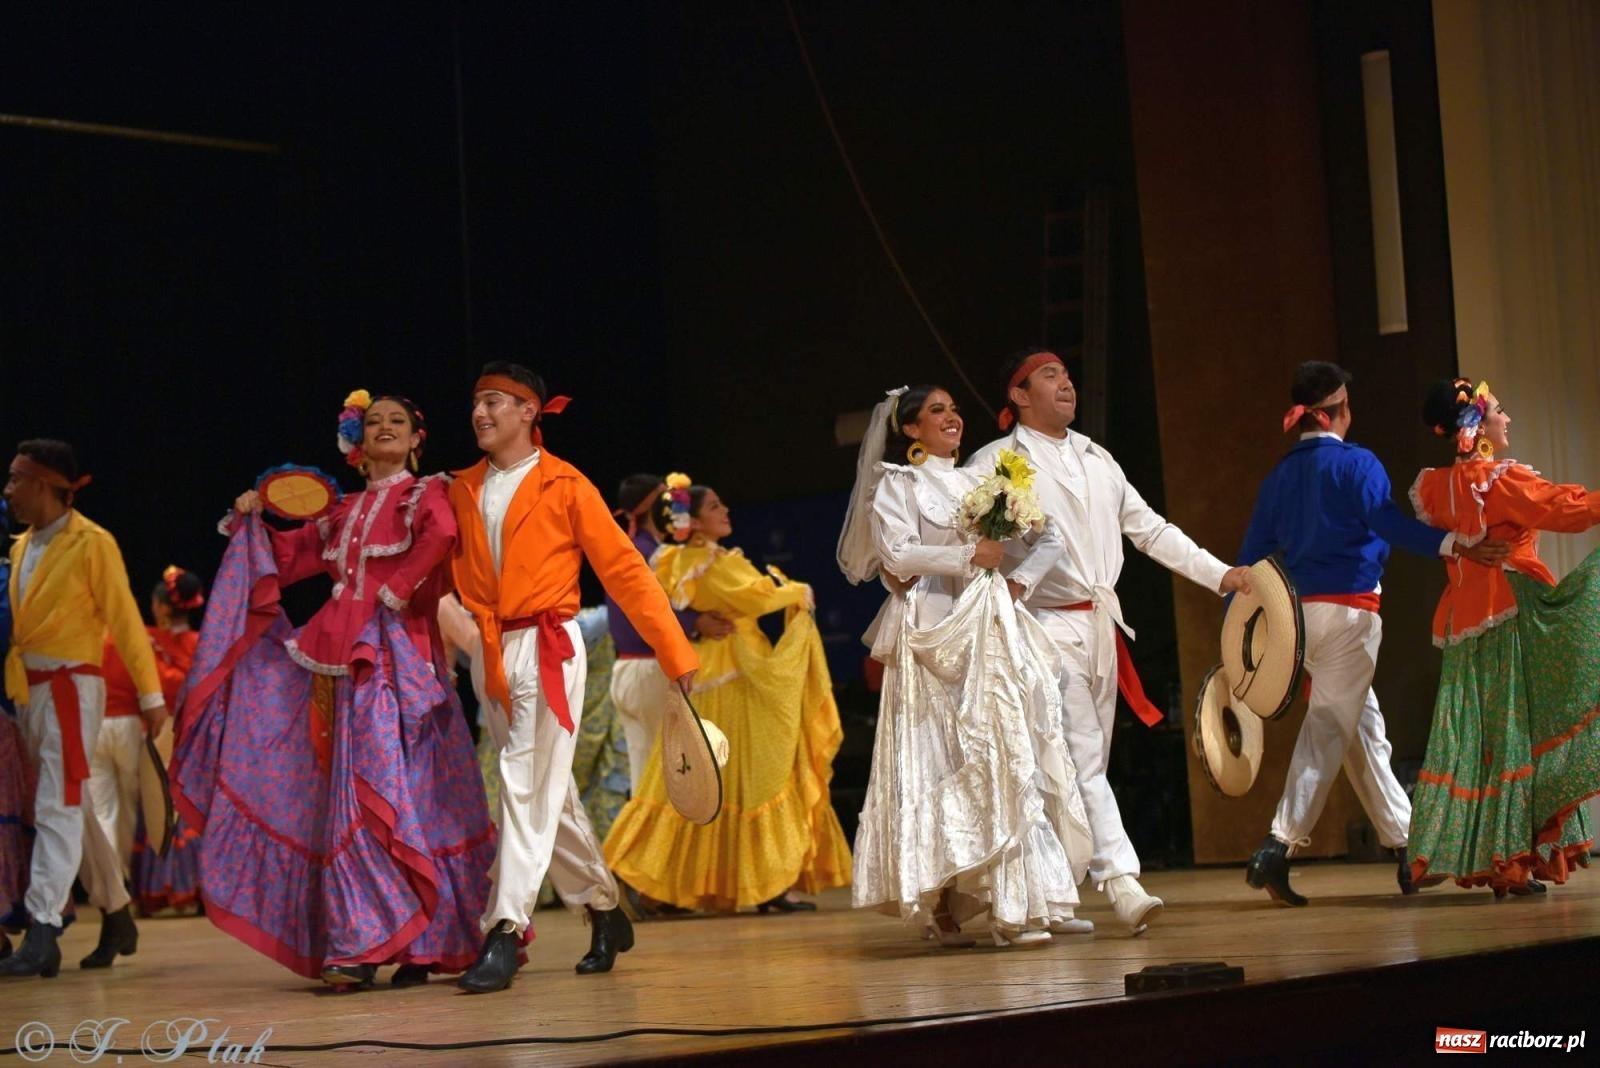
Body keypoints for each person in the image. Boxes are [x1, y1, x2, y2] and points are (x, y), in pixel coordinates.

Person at [171, 393, 494, 989]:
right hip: (345, 661)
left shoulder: (427, 494)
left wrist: (394, 589)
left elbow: (441, 537)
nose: (387, 429)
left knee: (411, 793)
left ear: (417, 440)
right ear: (357, 442)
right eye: (375, 423)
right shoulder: (342, 512)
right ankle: (368, 937)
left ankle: (418, 939)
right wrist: (251, 521)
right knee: (355, 786)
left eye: (398, 421)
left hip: (403, 658)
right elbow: (288, 555)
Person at [968, 350, 1250, 935]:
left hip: (1099, 622)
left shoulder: (1098, 458)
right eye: (1049, 375)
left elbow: (1151, 530)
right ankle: (1121, 879)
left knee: (1075, 761)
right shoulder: (996, 462)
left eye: (1066, 374)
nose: (1065, 381)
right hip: (1041, 626)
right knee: (1078, 756)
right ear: (1019, 395)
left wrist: (1220, 574)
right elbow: (971, 545)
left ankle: (1047, 894)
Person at [447, 361, 699, 995]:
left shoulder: (565, 484)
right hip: (492, 652)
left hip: (549, 646)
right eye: (477, 403)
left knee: (521, 784)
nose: (482, 413)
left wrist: (676, 654)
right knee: (546, 794)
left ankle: (504, 929)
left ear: (531, 411)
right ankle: (606, 909)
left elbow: (625, 573)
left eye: (497, 402)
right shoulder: (462, 487)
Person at [1235, 362, 1506, 905]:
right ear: (1341, 412)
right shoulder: (1357, 463)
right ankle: (1278, 845)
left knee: (1364, 733)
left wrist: (1237, 635)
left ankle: (1409, 849)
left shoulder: (1280, 475)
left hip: (1295, 621)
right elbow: (1388, 524)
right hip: (1349, 615)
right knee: (1329, 729)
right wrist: (1456, 542)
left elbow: (1249, 561)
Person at [840, 385, 1093, 947]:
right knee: (941, 757)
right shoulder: (898, 484)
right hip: (933, 626)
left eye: (953, 409)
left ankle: (1027, 897)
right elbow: (899, 555)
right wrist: (965, 556)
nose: (951, 418)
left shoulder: (984, 481)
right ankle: (946, 901)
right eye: (936, 411)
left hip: (988, 621)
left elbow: (1047, 535)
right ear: (911, 430)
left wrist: (1018, 580)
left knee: (1009, 750)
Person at [604, 475, 852, 914]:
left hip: (716, 673)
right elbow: (755, 597)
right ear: (694, 523)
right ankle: (736, 881)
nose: (726, 511)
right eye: (715, 507)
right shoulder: (705, 562)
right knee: (750, 776)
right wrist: (798, 591)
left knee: (708, 781)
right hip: (731, 677)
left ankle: (686, 883)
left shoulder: (686, 559)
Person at [1407, 377, 1600, 896]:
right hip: (1511, 615)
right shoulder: (1501, 481)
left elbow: (1442, 536)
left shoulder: (1439, 487)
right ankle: (1509, 859)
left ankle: (1490, 856)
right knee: (1516, 732)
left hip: (1463, 626)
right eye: (1500, 411)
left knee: (1476, 739)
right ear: (1479, 424)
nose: (1508, 419)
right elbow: (1563, 508)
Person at [1, 439, 167, 979]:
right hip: (31, 689)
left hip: (73, 688)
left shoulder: (92, 543)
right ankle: (117, 912)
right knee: (70, 807)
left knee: (57, 804)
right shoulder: (23, 545)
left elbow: (125, 621)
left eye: (15, 479)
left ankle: (43, 927)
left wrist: (151, 697)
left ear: (45, 484)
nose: (8, 490)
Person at [607, 474, 733, 794]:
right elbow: (647, 610)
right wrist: (695, 621)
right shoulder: (651, 554)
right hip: (649, 670)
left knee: (645, 779)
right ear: (654, 505)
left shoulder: (636, 549)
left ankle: (643, 844)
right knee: (667, 780)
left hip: (628, 670)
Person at [123, 568, 207, 916]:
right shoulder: (202, 644)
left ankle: (167, 888)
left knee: (161, 807)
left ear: (161, 608)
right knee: (188, 809)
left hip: (163, 732)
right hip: (195, 736)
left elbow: (155, 685)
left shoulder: (149, 643)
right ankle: (195, 888)